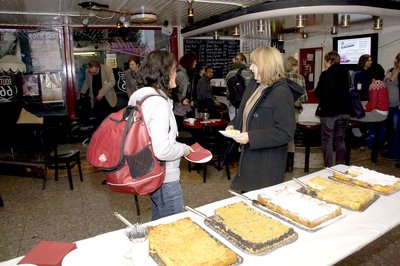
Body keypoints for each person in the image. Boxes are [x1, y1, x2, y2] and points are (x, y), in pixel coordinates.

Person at [128, 50, 192, 220]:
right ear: (163, 73)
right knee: (174, 228)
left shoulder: (139, 97)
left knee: (159, 223)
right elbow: (162, 150)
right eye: (173, 70)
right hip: (164, 177)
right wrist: (185, 149)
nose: (175, 74)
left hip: (147, 170)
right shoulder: (158, 104)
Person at [225, 47, 299, 192]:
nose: (250, 67)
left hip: (266, 163)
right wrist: (233, 125)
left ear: (266, 65)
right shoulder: (255, 84)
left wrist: (251, 137)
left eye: (254, 63)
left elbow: (285, 132)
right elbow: (244, 112)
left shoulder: (281, 92)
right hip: (249, 156)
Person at [314, 51, 353, 167]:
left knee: (327, 139)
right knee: (340, 139)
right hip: (344, 111)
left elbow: (318, 92)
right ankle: (341, 166)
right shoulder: (346, 73)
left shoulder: (325, 74)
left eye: (325, 61)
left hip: (329, 111)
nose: (325, 63)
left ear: (329, 61)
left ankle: (328, 167)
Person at [284, 56, 307, 172]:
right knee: (291, 136)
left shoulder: (280, 77)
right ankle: (290, 166)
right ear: (293, 66)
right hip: (293, 110)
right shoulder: (300, 78)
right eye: (297, 65)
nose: (298, 67)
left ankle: (282, 164)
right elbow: (304, 97)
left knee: (281, 134)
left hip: (281, 110)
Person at [80, 61, 117, 127]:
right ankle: (99, 132)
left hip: (107, 98)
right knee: (98, 118)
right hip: (95, 98)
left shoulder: (107, 69)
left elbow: (112, 82)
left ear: (98, 67)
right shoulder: (87, 71)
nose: (92, 74)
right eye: (91, 72)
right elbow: (87, 82)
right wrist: (82, 92)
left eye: (94, 72)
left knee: (109, 118)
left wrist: (101, 93)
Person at [225, 53, 253, 120]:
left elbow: (228, 92)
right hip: (245, 104)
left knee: (233, 126)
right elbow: (251, 89)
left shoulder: (229, 73)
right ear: (243, 61)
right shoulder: (248, 73)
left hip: (233, 104)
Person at [383, 52, 400, 160]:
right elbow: (384, 84)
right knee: (390, 129)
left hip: (397, 106)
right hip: (388, 105)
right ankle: (391, 150)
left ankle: (395, 153)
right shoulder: (390, 70)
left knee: (396, 130)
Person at [173, 53, 197, 130]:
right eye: (194, 61)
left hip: (181, 106)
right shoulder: (181, 74)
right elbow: (175, 90)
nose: (196, 63)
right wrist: (182, 99)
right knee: (179, 128)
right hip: (178, 107)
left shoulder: (184, 73)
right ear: (189, 62)